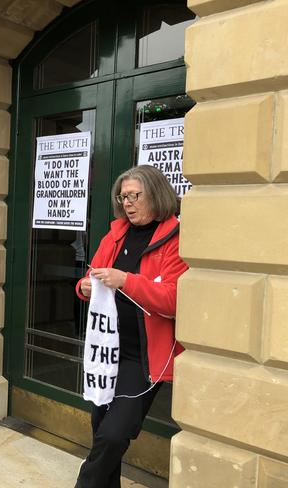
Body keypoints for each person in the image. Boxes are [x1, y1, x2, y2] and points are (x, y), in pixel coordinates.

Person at [74, 165, 188, 488]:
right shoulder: (116, 234)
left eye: (134, 195)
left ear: (155, 194)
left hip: (143, 358)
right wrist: (83, 286)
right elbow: (92, 275)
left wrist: (126, 280)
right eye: (123, 197)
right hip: (107, 351)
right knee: (102, 432)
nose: (127, 203)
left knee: (112, 435)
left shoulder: (174, 238)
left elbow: (172, 299)